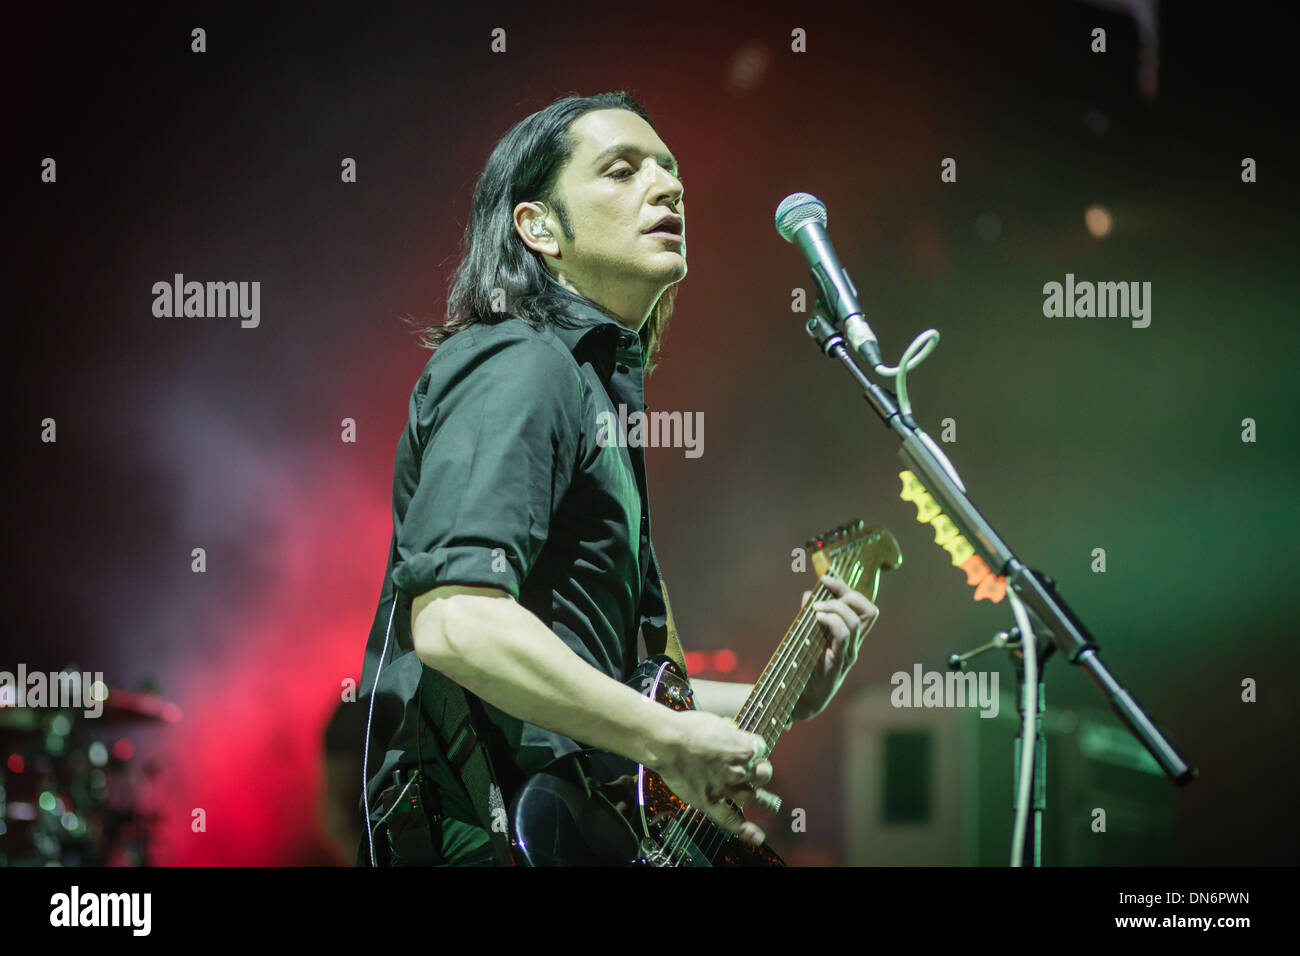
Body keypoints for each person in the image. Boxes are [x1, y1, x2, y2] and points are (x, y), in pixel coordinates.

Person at [356, 91, 877, 866]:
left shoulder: (589, 389)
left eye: (668, 170)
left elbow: (604, 693)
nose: (667, 187)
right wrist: (668, 737)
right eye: (622, 170)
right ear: (538, 228)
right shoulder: (520, 361)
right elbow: (456, 621)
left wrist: (782, 697)